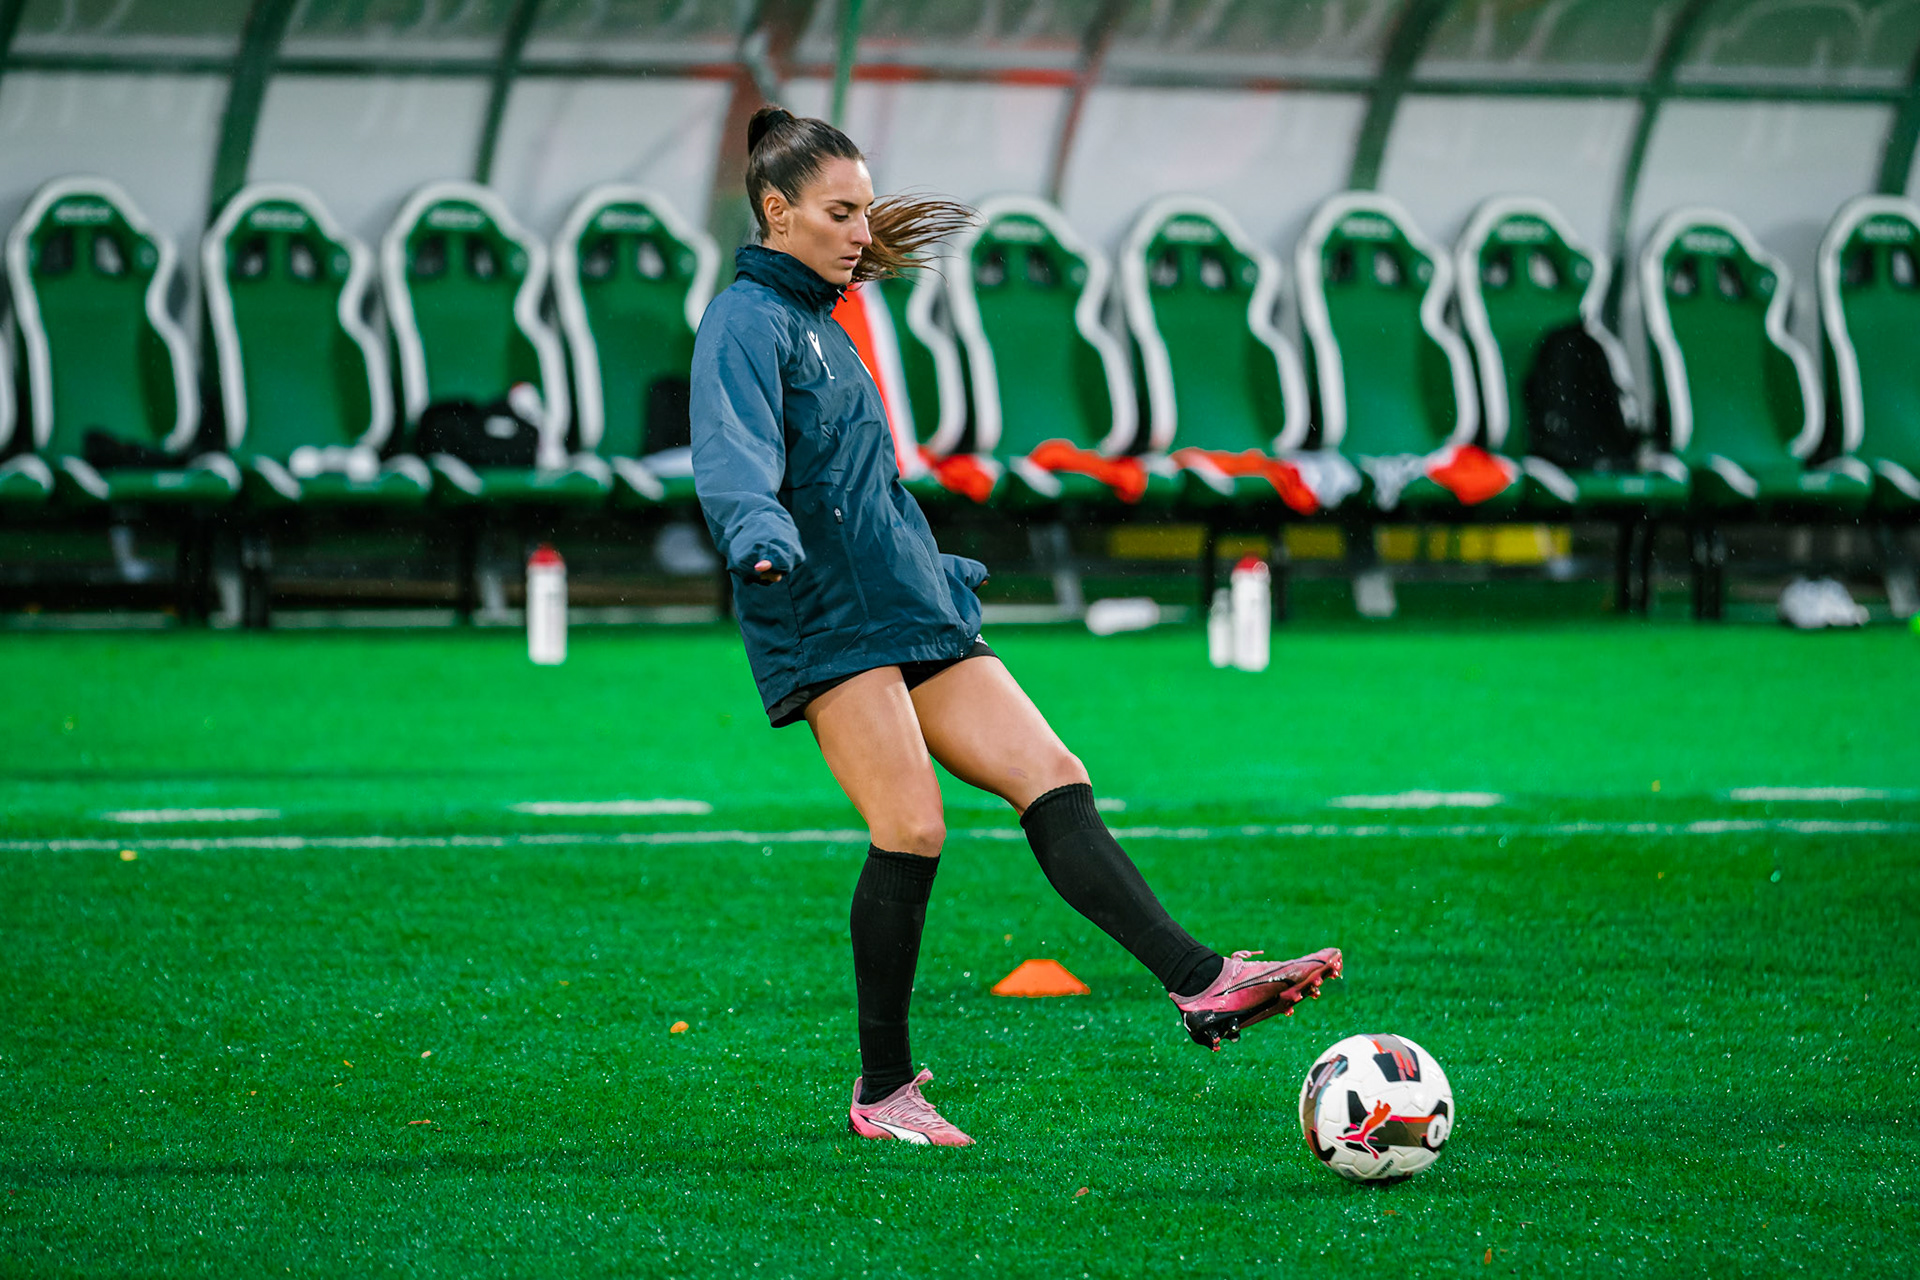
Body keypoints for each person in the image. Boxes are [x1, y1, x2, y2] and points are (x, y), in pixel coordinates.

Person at [691, 106, 1341, 1147]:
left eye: (865, 208)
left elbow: (862, 483)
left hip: (906, 600)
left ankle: (1202, 981)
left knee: (1053, 766)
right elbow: (734, 452)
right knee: (911, 824)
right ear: (776, 210)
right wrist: (758, 534)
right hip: (820, 608)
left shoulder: (826, 319)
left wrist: (930, 565)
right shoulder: (745, 321)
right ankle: (884, 1089)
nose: (863, 230)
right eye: (840, 211)